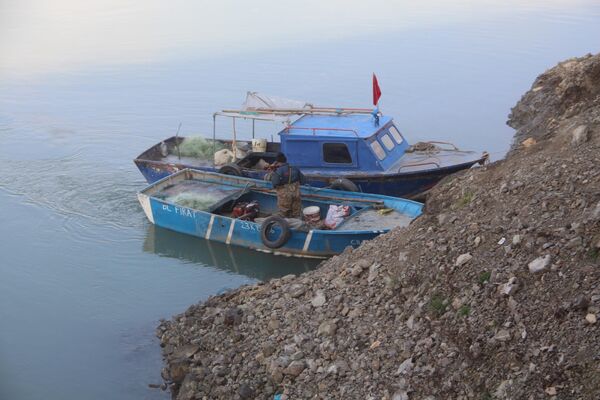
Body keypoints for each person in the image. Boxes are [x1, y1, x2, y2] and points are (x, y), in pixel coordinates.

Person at [268, 153, 305, 218]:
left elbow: (275, 182)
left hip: (284, 195)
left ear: (277, 162)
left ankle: (284, 225)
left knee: (284, 212)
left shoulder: (278, 171)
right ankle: (295, 224)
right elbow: (303, 181)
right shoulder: (295, 169)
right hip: (296, 193)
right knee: (296, 212)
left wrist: (273, 172)